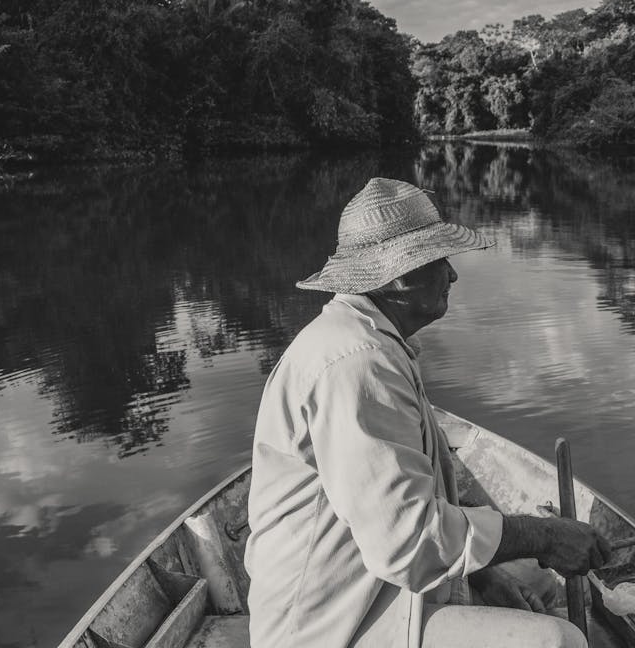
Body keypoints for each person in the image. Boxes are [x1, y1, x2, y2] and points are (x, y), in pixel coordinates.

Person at [244, 177, 611, 648]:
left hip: (378, 589)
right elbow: (410, 542)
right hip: (329, 628)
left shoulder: (371, 342)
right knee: (557, 642)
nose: (453, 275)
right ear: (399, 274)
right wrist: (544, 536)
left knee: (534, 585)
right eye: (440, 259)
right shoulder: (358, 365)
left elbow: (405, 510)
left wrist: (482, 577)